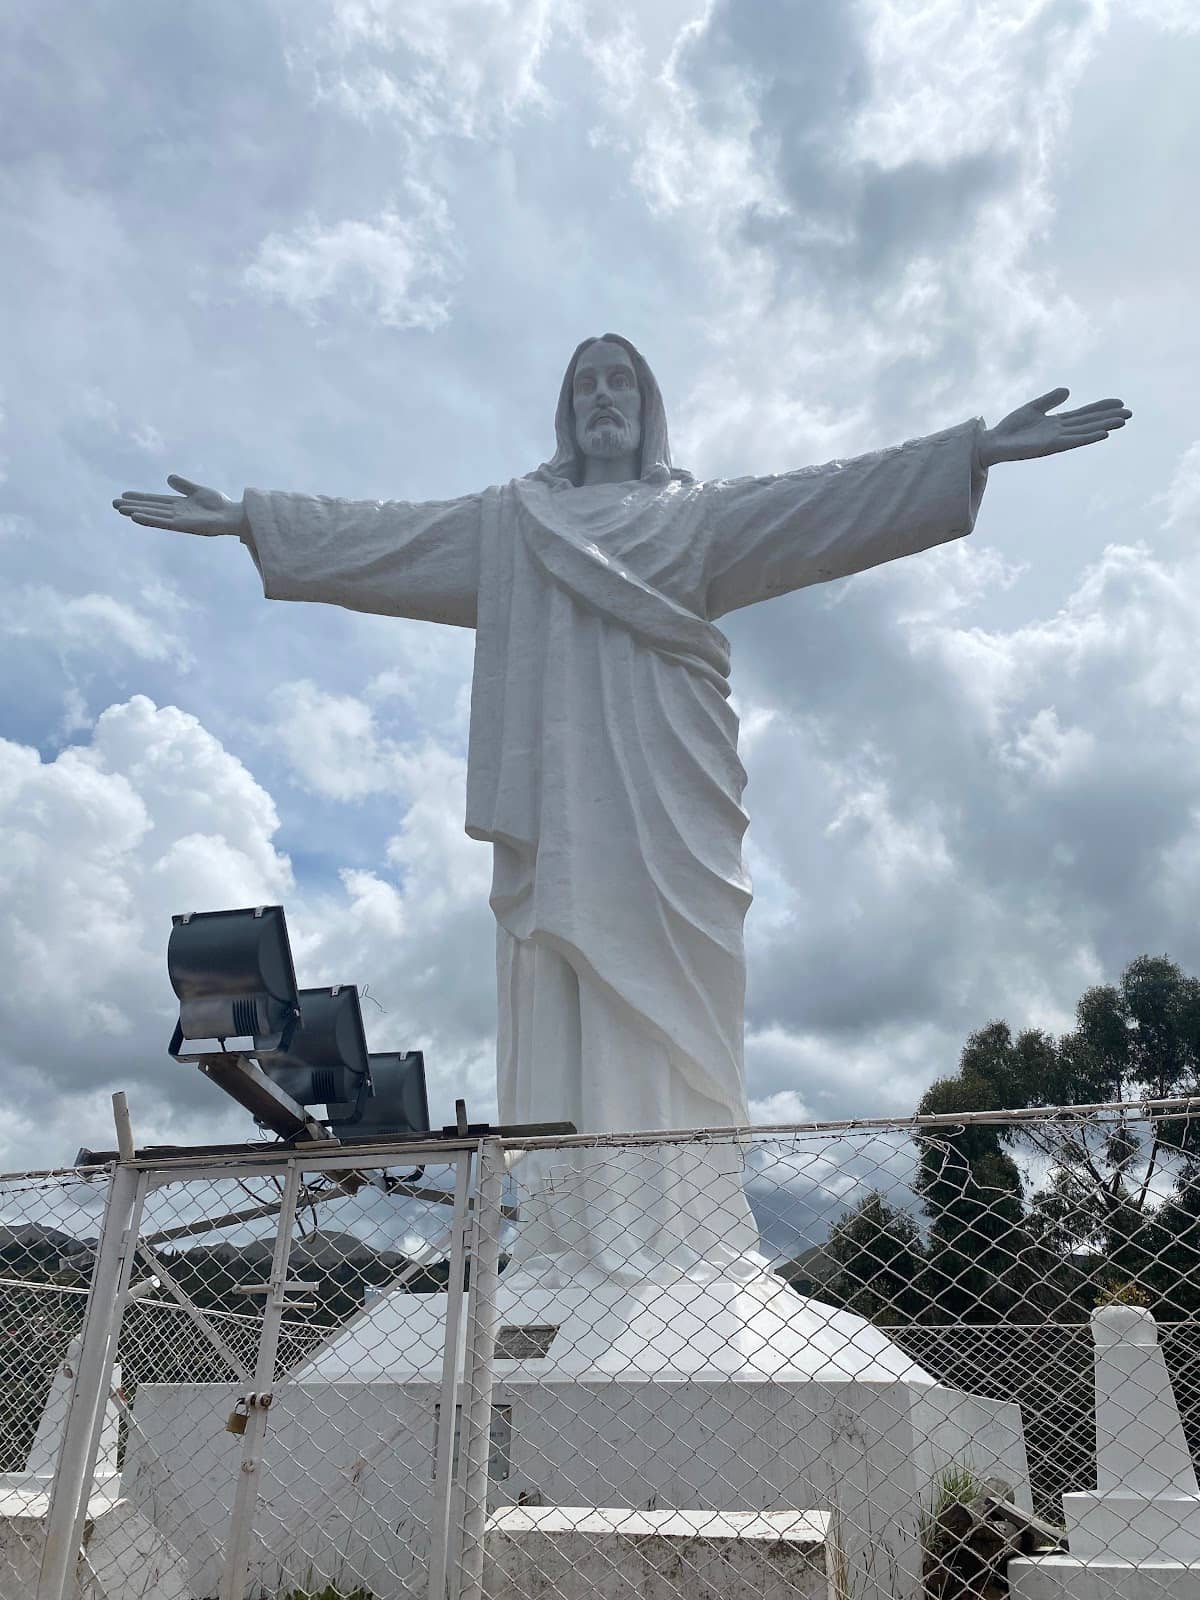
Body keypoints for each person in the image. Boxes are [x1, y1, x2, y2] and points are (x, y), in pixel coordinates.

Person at [114, 335, 1129, 1282]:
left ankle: (686, 1235)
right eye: (587, 384)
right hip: (560, 812)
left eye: (623, 383)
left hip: (669, 797)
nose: (605, 398)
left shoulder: (697, 517)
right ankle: (565, 1235)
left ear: (650, 409)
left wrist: (973, 453)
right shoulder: (512, 521)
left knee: (678, 997)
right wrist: (258, 518)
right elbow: (389, 536)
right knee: (563, 984)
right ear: (565, 411)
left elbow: (828, 504)